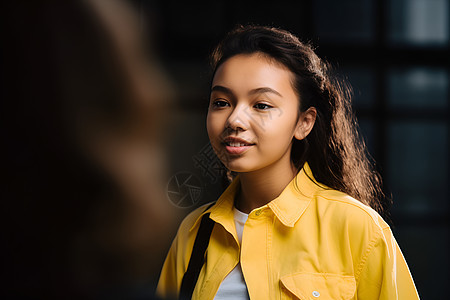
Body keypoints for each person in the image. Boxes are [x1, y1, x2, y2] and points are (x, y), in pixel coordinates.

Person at [156, 25, 419, 299]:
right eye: (221, 102)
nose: (234, 120)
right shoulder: (194, 232)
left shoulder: (358, 228)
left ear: (304, 123)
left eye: (261, 105)